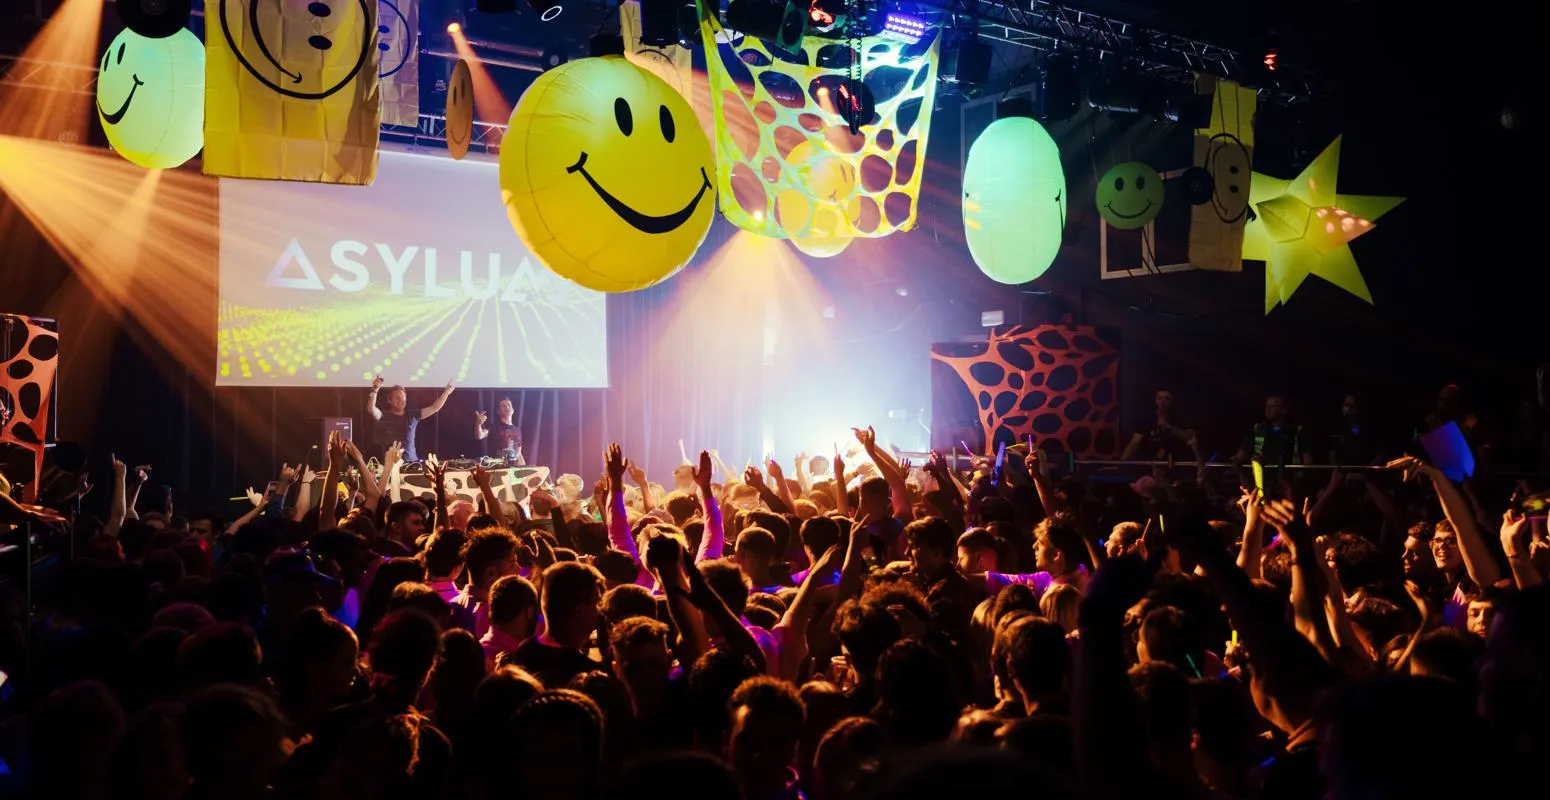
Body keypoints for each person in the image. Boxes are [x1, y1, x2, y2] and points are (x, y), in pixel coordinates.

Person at [366, 374, 454, 462]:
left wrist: (446, 393)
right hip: (391, 466)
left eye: (403, 397)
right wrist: (375, 389)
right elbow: (371, 408)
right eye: (397, 397)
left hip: (411, 464)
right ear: (389, 400)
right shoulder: (383, 416)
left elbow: (434, 408)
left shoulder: (413, 415)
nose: (401, 400)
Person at [475, 397, 524, 463]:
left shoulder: (517, 430)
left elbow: (519, 453)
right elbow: (479, 436)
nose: (507, 407)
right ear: (498, 411)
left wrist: (525, 469)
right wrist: (478, 424)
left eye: (509, 405)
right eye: (503, 406)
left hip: (513, 469)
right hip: (496, 468)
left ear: (513, 410)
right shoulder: (494, 427)